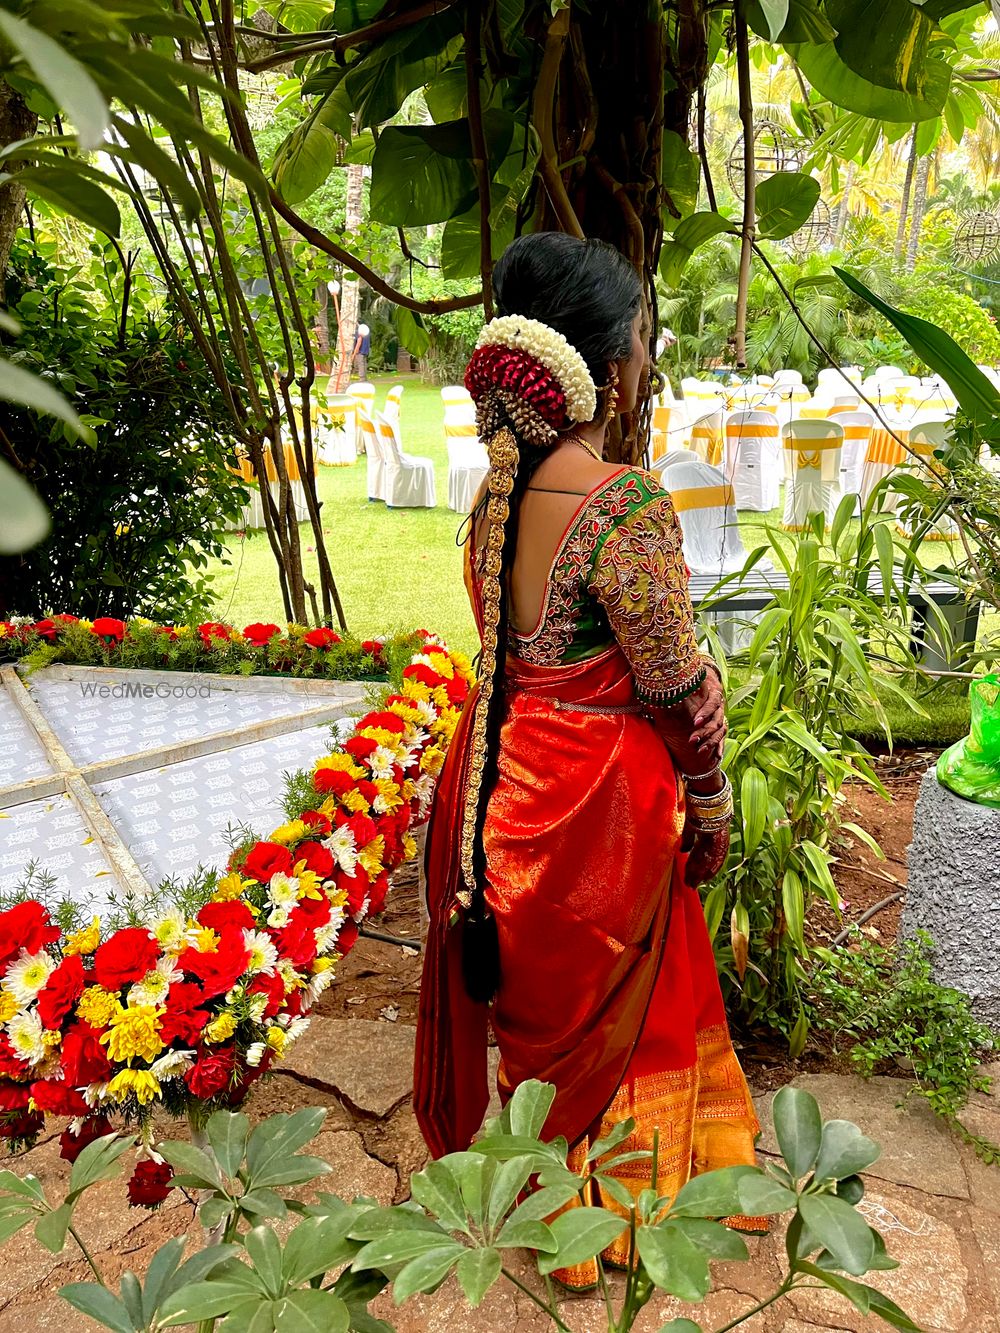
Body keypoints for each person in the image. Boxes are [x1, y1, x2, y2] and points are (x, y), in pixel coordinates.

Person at [414, 232, 762, 1292]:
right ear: (608, 368)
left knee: (543, 1005)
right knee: (638, 998)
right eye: (643, 343)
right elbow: (677, 692)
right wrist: (708, 796)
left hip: (501, 792)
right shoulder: (623, 506)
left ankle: (550, 1192)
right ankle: (628, 1210)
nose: (648, 364)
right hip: (599, 811)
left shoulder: (494, 497)